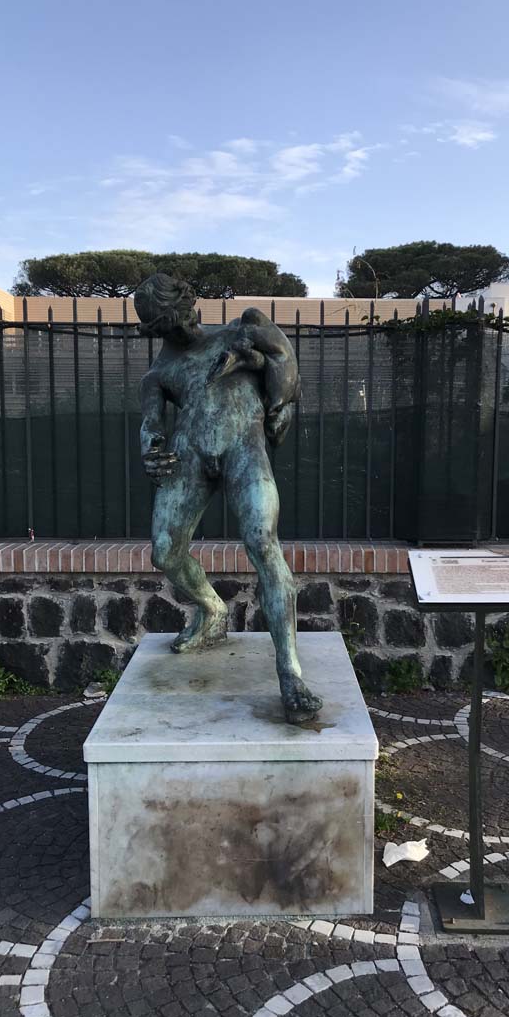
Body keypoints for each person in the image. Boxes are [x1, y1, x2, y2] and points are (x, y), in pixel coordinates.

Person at [135, 273, 322, 723]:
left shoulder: (244, 329)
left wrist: (273, 393)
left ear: (188, 304)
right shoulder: (159, 374)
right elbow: (150, 426)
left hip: (244, 450)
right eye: (162, 326)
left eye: (174, 318)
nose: (174, 330)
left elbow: (288, 368)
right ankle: (212, 609)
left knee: (262, 543)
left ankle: (290, 674)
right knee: (165, 552)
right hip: (190, 457)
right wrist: (150, 449)